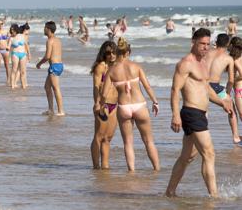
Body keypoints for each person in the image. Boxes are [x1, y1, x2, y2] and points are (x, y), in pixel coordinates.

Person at [166, 28, 234, 198]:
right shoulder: (185, 63)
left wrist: (222, 102)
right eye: (201, 44)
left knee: (187, 157)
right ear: (193, 42)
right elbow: (175, 90)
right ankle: (214, 196)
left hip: (201, 114)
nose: (205, 47)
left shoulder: (203, 63)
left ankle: (170, 192)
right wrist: (175, 115)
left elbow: (206, 88)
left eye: (207, 44)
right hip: (191, 112)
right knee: (209, 153)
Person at [101, 38, 159, 171]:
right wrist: (155, 102)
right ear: (128, 52)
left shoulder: (111, 70)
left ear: (116, 52)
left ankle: (132, 171)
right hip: (139, 105)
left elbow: (104, 94)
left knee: (128, 143)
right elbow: (147, 87)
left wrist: (102, 106)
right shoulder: (136, 67)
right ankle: (156, 170)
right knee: (149, 141)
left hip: (123, 107)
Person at [205, 33, 239, 144]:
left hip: (201, 85)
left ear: (216, 42)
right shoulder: (228, 58)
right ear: (228, 44)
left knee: (203, 111)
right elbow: (231, 80)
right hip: (215, 87)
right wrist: (228, 94)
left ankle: (203, 137)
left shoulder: (206, 53)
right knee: (231, 110)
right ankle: (235, 137)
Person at [90, 41, 117, 169]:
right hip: (103, 104)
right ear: (103, 54)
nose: (111, 55)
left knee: (108, 138)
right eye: (108, 53)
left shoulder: (117, 66)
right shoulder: (101, 66)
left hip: (114, 105)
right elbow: (96, 86)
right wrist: (97, 103)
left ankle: (105, 166)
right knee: (99, 136)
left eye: (113, 52)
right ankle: (96, 166)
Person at [36, 22, 65, 116]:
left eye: (44, 28)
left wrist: (39, 64)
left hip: (54, 67)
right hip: (59, 65)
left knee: (56, 88)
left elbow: (47, 56)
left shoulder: (50, 41)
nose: (43, 29)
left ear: (48, 29)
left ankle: (61, 111)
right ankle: (51, 109)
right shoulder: (58, 40)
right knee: (47, 87)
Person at [9, 23, 29, 89]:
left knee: (22, 71)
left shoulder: (22, 35)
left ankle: (23, 86)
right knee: (14, 70)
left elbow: (26, 44)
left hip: (23, 54)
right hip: (15, 54)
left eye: (13, 30)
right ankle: (12, 86)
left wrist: (29, 54)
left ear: (16, 29)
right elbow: (8, 46)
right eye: (11, 30)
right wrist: (7, 47)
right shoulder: (11, 38)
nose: (12, 31)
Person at [230, 37, 242, 140]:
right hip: (238, 89)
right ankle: (236, 136)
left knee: (241, 113)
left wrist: (235, 79)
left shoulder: (236, 59)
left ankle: (236, 136)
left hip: (239, 90)